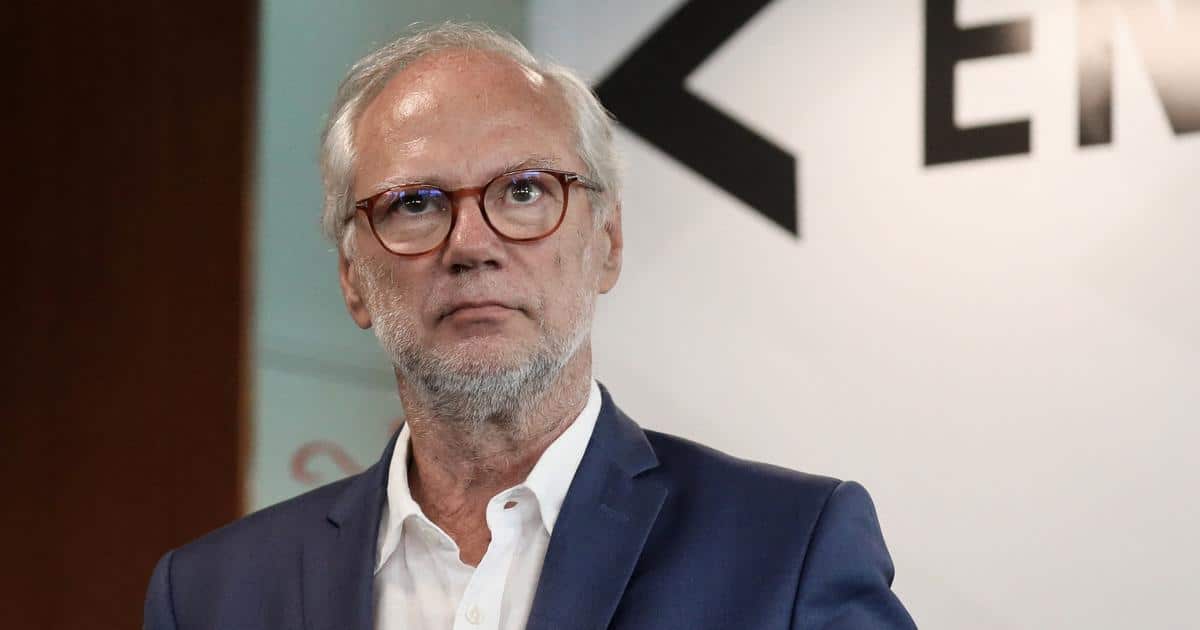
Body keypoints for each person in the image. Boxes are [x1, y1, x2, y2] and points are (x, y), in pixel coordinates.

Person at [144, 22, 916, 630]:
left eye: (523, 191)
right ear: (353, 278)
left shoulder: (788, 549)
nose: (470, 245)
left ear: (606, 243)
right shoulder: (211, 595)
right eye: (414, 203)